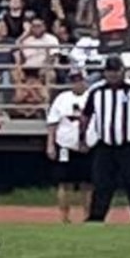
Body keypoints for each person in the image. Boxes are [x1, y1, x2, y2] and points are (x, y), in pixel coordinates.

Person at [78, 54, 130, 224]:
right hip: (105, 145)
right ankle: (96, 218)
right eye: (109, 71)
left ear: (123, 71)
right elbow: (85, 115)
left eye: (116, 71)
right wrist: (82, 138)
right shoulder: (96, 91)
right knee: (101, 183)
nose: (113, 75)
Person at [42, 68, 88, 223]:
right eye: (74, 81)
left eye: (80, 80)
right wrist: (50, 144)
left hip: (86, 145)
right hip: (65, 145)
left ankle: (88, 215)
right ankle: (64, 217)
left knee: (87, 184)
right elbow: (52, 122)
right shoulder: (62, 99)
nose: (77, 84)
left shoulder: (91, 97)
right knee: (65, 183)